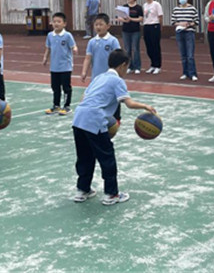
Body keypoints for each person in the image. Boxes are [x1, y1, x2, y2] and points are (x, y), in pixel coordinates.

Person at [72, 49, 157, 205]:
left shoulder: (99, 77)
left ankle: (82, 190)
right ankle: (111, 194)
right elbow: (129, 103)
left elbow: (84, 97)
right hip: (94, 119)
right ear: (123, 65)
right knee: (107, 157)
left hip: (78, 118)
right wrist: (145, 106)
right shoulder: (117, 81)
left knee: (85, 156)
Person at [42, 12, 78, 115]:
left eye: (59, 21)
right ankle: (56, 105)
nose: (56, 24)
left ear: (64, 24)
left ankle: (67, 106)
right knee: (55, 87)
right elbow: (48, 48)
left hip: (65, 66)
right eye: (54, 21)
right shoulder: (50, 35)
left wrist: (75, 49)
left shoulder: (67, 35)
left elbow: (73, 46)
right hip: (54, 67)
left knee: (66, 87)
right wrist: (45, 58)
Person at [81, 14, 121, 84]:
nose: (98, 27)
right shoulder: (92, 42)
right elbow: (88, 58)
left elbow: (118, 57)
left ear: (108, 26)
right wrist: (84, 72)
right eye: (96, 25)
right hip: (96, 76)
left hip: (110, 76)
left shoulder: (113, 41)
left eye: (101, 24)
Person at [171, 0, 199, 81]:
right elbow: (173, 21)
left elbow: (196, 21)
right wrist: (179, 23)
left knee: (190, 55)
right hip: (179, 32)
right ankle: (185, 72)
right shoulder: (176, 9)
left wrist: (188, 24)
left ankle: (193, 73)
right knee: (183, 54)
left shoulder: (192, 9)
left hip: (189, 32)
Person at [120, 0, 143, 74]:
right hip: (125, 30)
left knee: (135, 48)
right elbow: (121, 17)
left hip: (135, 31)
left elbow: (141, 18)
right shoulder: (124, 6)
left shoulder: (138, 8)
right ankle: (129, 66)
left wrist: (131, 19)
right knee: (127, 49)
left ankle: (137, 66)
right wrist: (123, 19)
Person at [142, 0, 163, 74]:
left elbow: (160, 16)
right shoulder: (144, 5)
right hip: (146, 26)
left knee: (155, 46)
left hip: (154, 25)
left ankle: (158, 65)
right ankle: (152, 64)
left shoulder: (156, 4)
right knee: (149, 46)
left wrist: (160, 26)